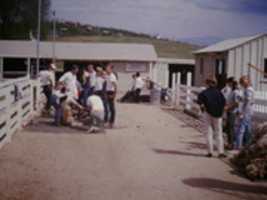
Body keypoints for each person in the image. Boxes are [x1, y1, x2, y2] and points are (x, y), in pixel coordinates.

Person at [197, 77, 226, 158]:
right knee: (219, 133)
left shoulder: (203, 93)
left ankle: (210, 152)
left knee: (208, 133)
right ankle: (221, 152)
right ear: (215, 83)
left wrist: (203, 110)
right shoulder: (219, 93)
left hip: (207, 113)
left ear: (207, 83)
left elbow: (200, 103)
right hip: (218, 114)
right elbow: (223, 103)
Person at [235, 76, 254, 149]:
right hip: (249, 111)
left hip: (246, 112)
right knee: (247, 129)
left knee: (241, 129)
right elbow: (247, 100)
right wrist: (241, 98)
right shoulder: (248, 89)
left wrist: (243, 112)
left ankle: (238, 146)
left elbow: (248, 101)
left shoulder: (248, 90)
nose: (242, 84)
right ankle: (247, 145)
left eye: (242, 82)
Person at [224, 80, 240, 150]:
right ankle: (229, 142)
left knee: (230, 128)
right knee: (228, 128)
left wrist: (228, 107)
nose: (229, 85)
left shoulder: (236, 92)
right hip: (229, 111)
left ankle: (231, 144)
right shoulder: (231, 91)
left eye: (231, 84)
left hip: (232, 112)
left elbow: (237, 103)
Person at [105, 64, 118, 128]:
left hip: (111, 92)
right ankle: (109, 121)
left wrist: (114, 95)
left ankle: (112, 123)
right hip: (107, 92)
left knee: (112, 108)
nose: (106, 69)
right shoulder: (107, 75)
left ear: (111, 69)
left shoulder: (112, 76)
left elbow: (115, 86)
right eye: (106, 68)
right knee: (108, 108)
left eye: (108, 68)